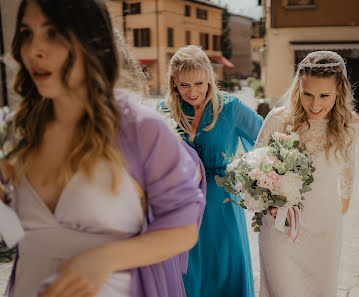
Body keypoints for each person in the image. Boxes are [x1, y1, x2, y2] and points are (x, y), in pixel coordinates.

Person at [0, 1, 205, 297]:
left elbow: (183, 230)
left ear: (91, 42)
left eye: (53, 33)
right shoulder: (17, 132)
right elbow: (20, 237)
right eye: (26, 34)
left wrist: (104, 259)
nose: (35, 50)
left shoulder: (141, 129)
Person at [161, 45, 263, 297]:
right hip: (184, 206)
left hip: (223, 206)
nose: (192, 91)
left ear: (209, 77)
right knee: (191, 273)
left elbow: (268, 139)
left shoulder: (231, 107)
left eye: (199, 83)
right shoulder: (165, 112)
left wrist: (255, 178)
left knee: (225, 269)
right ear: (174, 83)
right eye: (184, 85)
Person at [256, 51, 359, 297]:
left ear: (339, 91)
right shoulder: (279, 118)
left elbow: (348, 170)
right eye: (307, 94)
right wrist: (270, 204)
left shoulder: (350, 124)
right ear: (298, 88)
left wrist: (337, 208)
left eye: (325, 95)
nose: (315, 105)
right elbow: (254, 167)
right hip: (281, 226)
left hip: (325, 229)